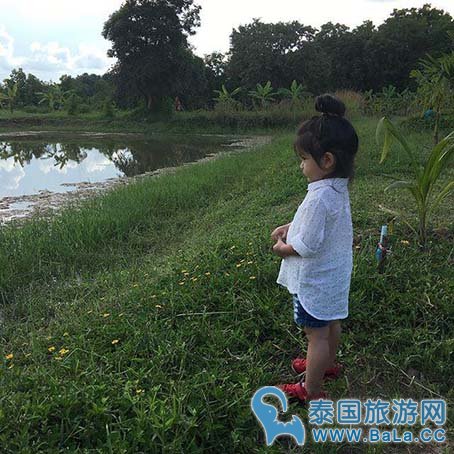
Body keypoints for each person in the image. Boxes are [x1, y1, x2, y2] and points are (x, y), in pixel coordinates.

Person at [270, 93, 359, 403]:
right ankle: (325, 366)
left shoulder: (318, 196)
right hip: (334, 278)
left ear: (326, 161)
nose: (301, 166)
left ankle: (311, 389)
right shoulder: (336, 189)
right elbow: (317, 228)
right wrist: (291, 227)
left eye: (304, 159)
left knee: (315, 335)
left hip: (316, 280)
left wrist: (283, 246)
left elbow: (306, 245)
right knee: (331, 324)